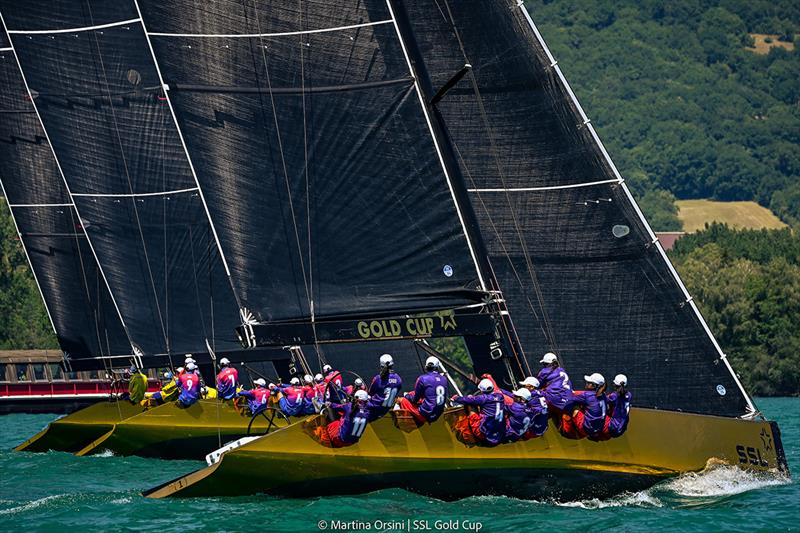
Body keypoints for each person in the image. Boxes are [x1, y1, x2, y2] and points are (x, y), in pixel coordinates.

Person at [451, 378, 505, 446]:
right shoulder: (500, 397)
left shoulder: (484, 398)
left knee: (471, 404)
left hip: (484, 434)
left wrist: (456, 398)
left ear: (481, 390)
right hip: (498, 433)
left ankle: (470, 434)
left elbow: (468, 400)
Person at [397, 356, 449, 424]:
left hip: (425, 414)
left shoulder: (422, 379)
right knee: (414, 393)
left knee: (402, 400)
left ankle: (404, 421)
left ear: (426, 366)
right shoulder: (444, 379)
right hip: (437, 415)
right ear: (437, 367)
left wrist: (406, 396)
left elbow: (415, 399)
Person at [561, 373, 607, 439]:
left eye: (589, 382)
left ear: (594, 385)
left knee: (573, 407)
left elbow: (570, 398)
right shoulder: (603, 395)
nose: (586, 383)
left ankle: (566, 430)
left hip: (587, 429)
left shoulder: (587, 395)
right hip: (598, 429)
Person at [365, 354, 403, 422]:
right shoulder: (398, 379)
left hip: (372, 408)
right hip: (384, 411)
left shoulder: (378, 379)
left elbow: (370, 393)